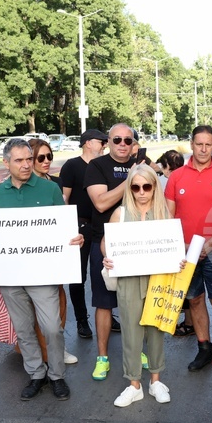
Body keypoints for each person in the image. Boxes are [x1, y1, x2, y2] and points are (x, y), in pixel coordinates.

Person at [0, 138, 83, 401]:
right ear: (6, 163)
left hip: (43, 274)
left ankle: (57, 375)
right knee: (23, 328)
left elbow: (65, 227)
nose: (26, 165)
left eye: (29, 159)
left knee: (52, 327)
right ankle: (36, 373)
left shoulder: (50, 189)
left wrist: (75, 237)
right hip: (10, 275)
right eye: (19, 160)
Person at [103, 165, 183, 407]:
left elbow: (174, 247)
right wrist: (107, 256)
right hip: (129, 279)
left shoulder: (163, 213)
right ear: (129, 188)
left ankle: (156, 381)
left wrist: (178, 259)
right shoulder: (120, 213)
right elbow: (106, 243)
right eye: (135, 187)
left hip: (158, 278)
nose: (141, 192)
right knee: (130, 331)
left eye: (146, 187)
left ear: (154, 187)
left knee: (156, 330)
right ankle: (134, 384)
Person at [165, 126, 212, 372]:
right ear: (191, 144)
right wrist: (181, 246)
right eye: (199, 144)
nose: (204, 149)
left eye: (208, 144)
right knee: (195, 300)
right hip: (185, 253)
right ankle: (204, 349)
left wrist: (211, 243)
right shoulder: (176, 177)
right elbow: (168, 217)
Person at [85, 123, 139, 380]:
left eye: (128, 140)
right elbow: (100, 202)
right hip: (104, 243)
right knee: (104, 303)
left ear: (133, 143)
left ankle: (137, 351)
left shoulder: (141, 165)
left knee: (136, 301)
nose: (122, 144)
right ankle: (102, 357)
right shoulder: (97, 166)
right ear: (108, 142)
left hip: (138, 244)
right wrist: (130, 181)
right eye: (117, 139)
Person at [28, 137, 76, 365]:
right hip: (26, 255)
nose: (46, 161)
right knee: (29, 306)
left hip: (53, 253)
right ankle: (35, 351)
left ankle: (58, 348)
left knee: (58, 299)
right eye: (41, 157)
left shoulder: (56, 183)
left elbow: (63, 217)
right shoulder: (18, 185)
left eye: (49, 156)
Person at [60, 129, 109, 340]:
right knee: (78, 276)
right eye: (101, 142)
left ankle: (107, 314)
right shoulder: (72, 166)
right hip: (79, 226)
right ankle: (81, 319)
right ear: (88, 143)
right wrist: (68, 228)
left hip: (102, 226)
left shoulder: (103, 165)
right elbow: (64, 199)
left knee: (104, 272)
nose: (105, 145)